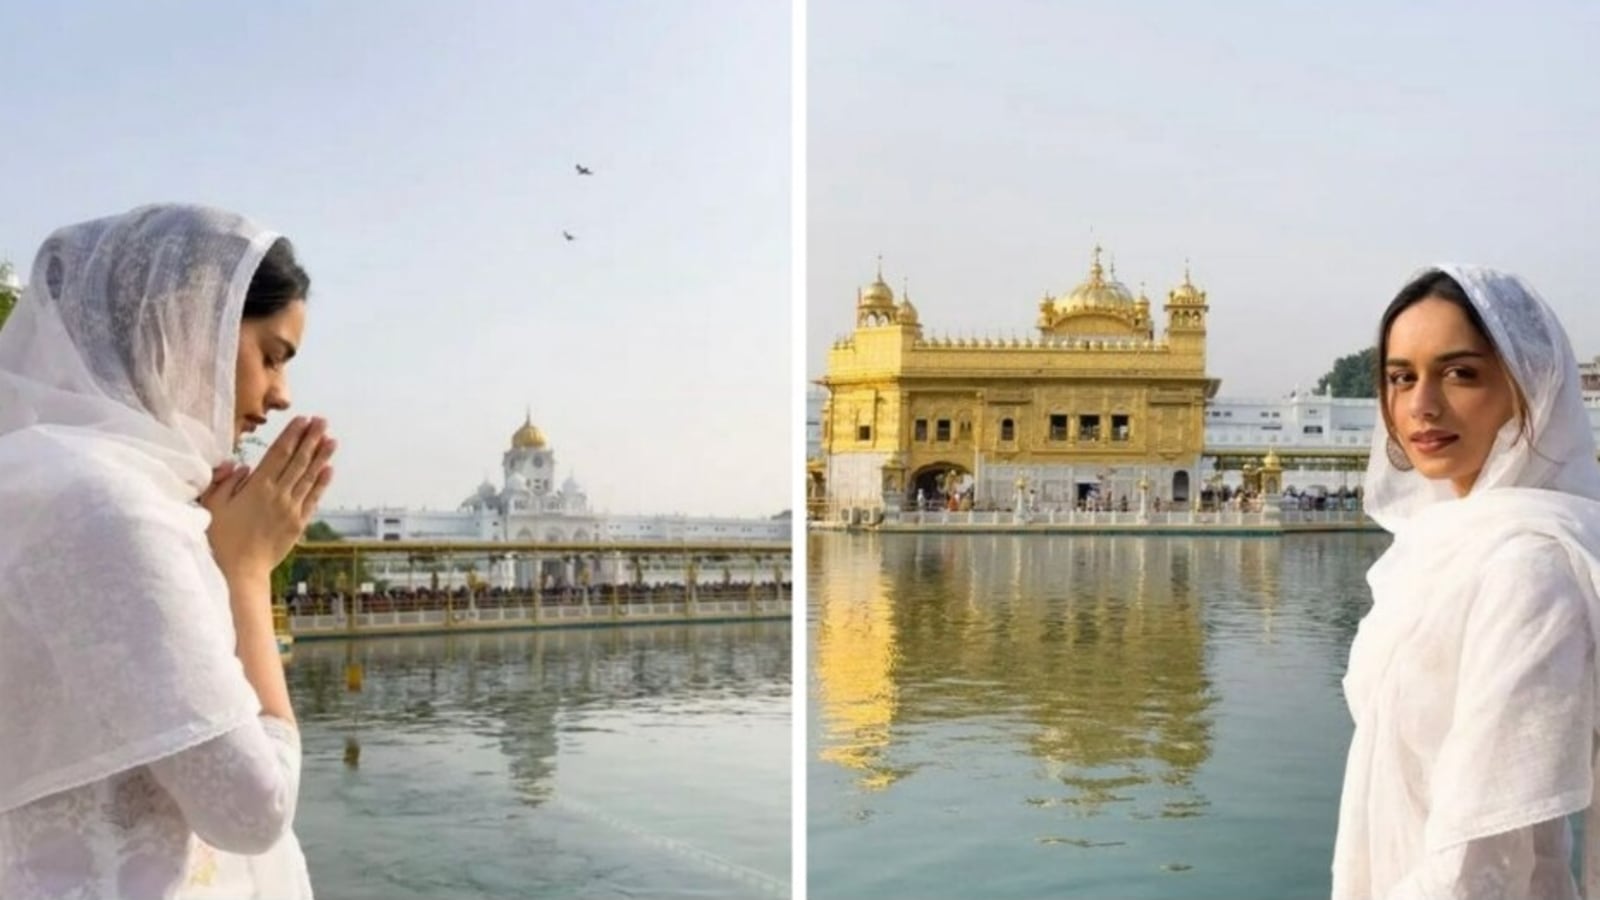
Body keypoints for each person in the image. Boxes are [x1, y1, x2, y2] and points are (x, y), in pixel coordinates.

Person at [0, 205, 335, 899]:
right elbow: (253, 808)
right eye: (269, 355)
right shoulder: (107, 505)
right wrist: (246, 574)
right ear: (186, 328)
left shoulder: (44, 479)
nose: (281, 395)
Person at [1333, 265, 1600, 899]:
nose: (1421, 406)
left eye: (1460, 373)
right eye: (1402, 378)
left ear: (1528, 388)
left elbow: (1478, 859)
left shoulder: (1527, 568)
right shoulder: (1433, 550)